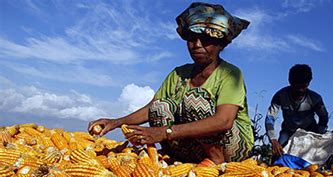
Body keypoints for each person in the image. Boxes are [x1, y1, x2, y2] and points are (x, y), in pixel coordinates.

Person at [88, 2, 253, 165]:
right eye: (191, 39)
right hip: (193, 145)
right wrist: (116, 123)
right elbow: (150, 109)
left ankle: (215, 160)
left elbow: (223, 121)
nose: (197, 45)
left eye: (205, 40)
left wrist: (164, 132)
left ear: (221, 44)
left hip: (231, 147)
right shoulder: (178, 74)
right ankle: (173, 157)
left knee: (195, 100)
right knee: (160, 106)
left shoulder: (230, 74)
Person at [265, 64, 329, 158]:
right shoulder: (280, 96)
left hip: (309, 133)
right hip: (288, 132)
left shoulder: (315, 99)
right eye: (297, 87)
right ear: (290, 82)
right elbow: (270, 118)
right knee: (278, 156)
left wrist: (317, 137)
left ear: (308, 83)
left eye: (303, 87)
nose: (300, 91)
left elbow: (324, 117)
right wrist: (273, 140)